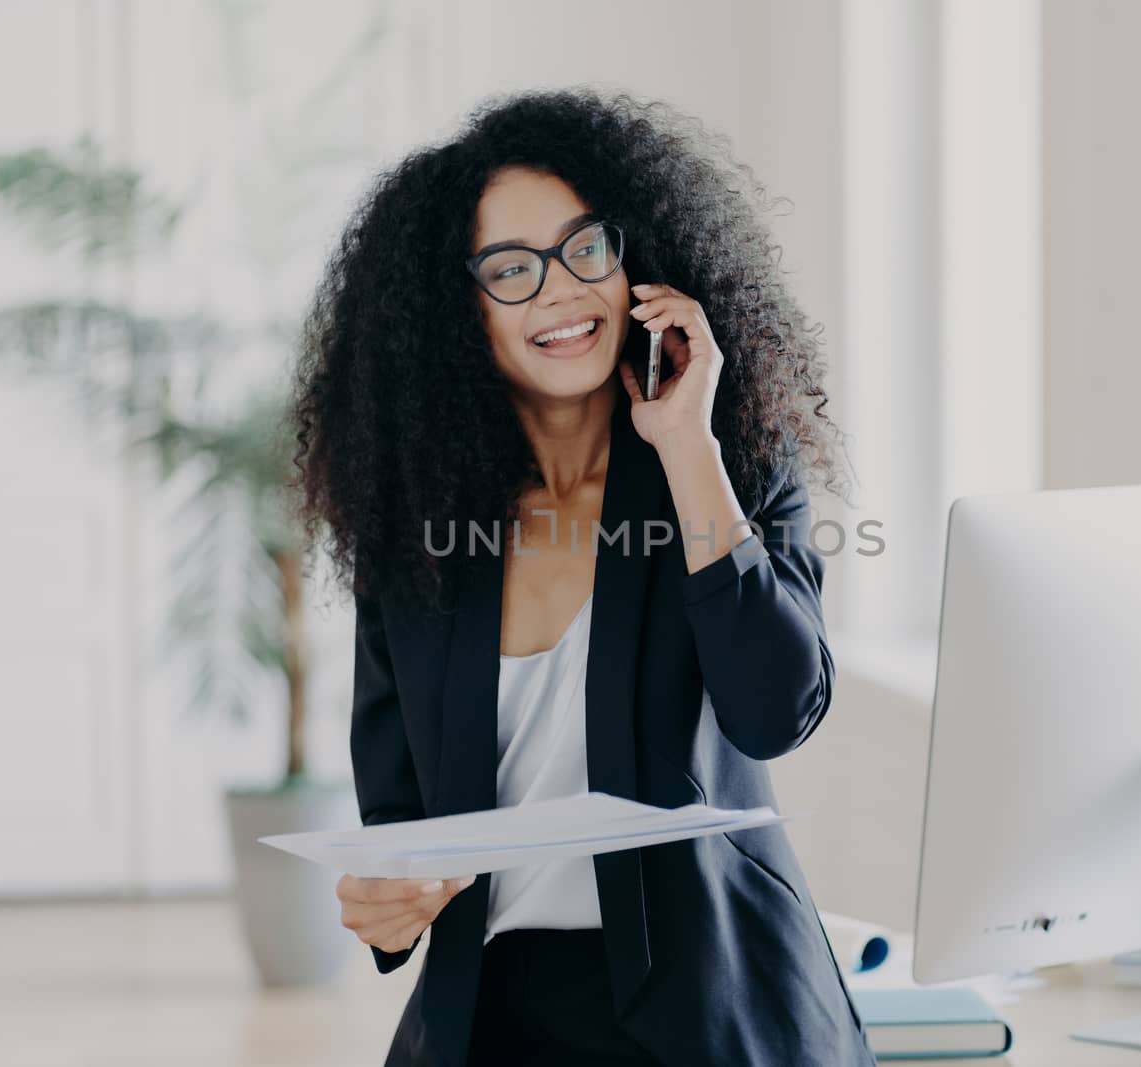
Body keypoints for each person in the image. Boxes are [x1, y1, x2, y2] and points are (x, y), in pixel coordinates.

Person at [287, 86, 872, 1067]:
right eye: (510, 270)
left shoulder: (727, 460)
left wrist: (685, 444)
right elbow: (399, 821)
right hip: (491, 1018)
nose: (560, 291)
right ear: (455, 311)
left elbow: (777, 706)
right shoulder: (417, 528)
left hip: (715, 1011)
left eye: (584, 248)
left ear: (631, 256)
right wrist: (386, 906)